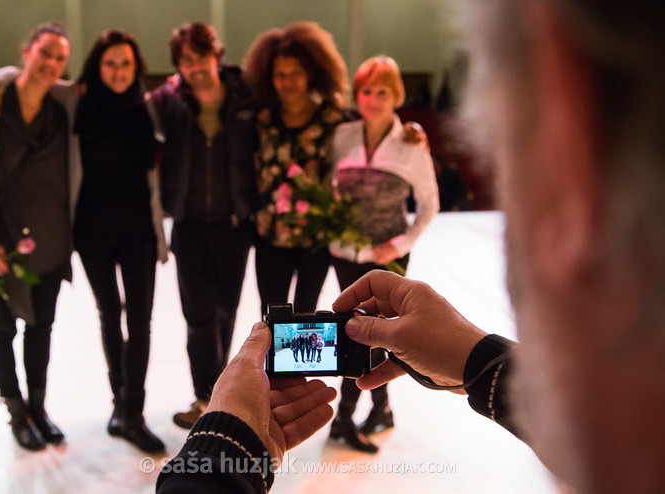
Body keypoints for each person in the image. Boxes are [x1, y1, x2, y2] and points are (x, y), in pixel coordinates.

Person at [156, 0, 665, 492]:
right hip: (300, 240)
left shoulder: (377, 135)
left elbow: (425, 201)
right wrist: (477, 362)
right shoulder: (314, 129)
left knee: (355, 328)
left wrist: (220, 457)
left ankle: (367, 409)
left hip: (354, 246)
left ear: (569, 128)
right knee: (347, 326)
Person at [0, 22, 76, 452]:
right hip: (0, 242)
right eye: (44, 53)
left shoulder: (59, 112)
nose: (50, 63)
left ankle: (38, 406)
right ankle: (15, 408)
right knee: (0, 326)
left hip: (48, 240)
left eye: (59, 58)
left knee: (40, 329)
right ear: (26, 51)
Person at [328, 55, 439, 453]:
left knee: (368, 334)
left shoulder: (410, 143)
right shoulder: (342, 136)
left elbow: (429, 205)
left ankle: (343, 419)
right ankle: (381, 410)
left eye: (381, 91)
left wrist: (397, 245)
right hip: (345, 253)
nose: (372, 99)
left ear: (396, 95)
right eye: (365, 90)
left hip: (389, 257)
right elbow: (327, 193)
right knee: (360, 332)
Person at [150, 22, 258, 430]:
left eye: (200, 57)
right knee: (198, 317)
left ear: (217, 55)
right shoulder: (170, 100)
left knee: (225, 311)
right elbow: (123, 109)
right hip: (189, 225)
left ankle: (220, 393)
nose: (194, 67)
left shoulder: (246, 94)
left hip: (234, 225)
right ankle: (204, 397)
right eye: (185, 61)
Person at [71, 30, 167, 453]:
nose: (118, 72)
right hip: (91, 230)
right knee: (109, 314)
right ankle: (118, 404)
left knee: (140, 320)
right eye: (109, 63)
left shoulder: (147, 108)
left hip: (137, 233)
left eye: (126, 64)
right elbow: (23, 80)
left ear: (137, 67)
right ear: (97, 65)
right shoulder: (79, 103)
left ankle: (134, 411)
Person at [242, 21, 349, 317]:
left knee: (305, 315)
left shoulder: (332, 119)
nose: (287, 81)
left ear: (311, 74)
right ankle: (269, 366)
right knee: (272, 316)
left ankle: (302, 365)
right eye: (280, 74)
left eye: (296, 73)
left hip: (315, 240)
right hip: (270, 237)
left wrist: (410, 133)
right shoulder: (261, 121)